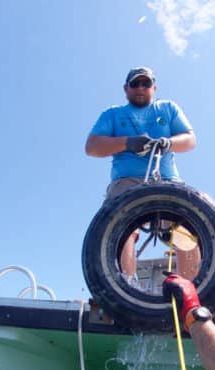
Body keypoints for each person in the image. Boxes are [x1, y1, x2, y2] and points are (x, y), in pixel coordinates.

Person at [85, 66, 199, 281]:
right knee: (120, 225)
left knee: (185, 232)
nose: (140, 88)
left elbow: (190, 139)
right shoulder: (112, 114)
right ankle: (125, 284)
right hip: (126, 182)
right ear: (125, 88)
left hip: (166, 181)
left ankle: (189, 291)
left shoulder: (167, 108)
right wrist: (127, 143)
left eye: (145, 84)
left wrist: (168, 142)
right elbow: (92, 147)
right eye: (135, 83)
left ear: (154, 87)